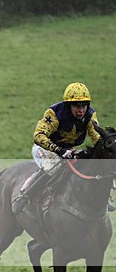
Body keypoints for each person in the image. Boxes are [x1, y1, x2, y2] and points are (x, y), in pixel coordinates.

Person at [11, 82, 102, 214]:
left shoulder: (90, 115)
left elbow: (97, 137)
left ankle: (98, 199)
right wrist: (60, 150)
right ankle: (24, 196)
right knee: (53, 167)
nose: (81, 110)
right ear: (68, 105)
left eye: (84, 105)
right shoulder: (54, 114)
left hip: (69, 150)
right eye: (77, 106)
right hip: (45, 149)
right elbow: (38, 136)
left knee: (87, 166)